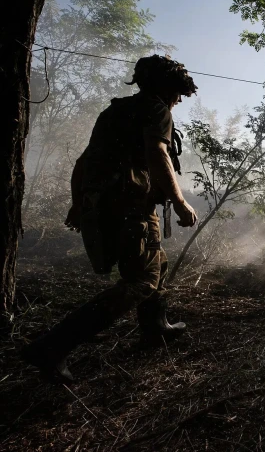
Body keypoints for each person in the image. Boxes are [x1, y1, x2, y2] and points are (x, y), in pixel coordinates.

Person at [21, 55, 199, 384]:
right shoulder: (156, 109)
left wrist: (79, 204)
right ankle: (53, 346)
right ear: (165, 88)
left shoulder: (115, 112)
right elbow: (158, 153)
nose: (177, 101)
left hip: (111, 205)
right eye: (177, 94)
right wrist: (179, 201)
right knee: (141, 281)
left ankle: (155, 327)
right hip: (131, 207)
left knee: (157, 261)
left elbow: (83, 161)